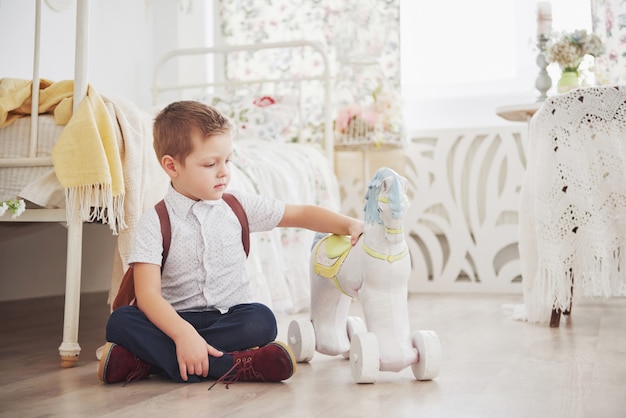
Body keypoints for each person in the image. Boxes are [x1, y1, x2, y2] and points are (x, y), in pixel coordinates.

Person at [98, 100, 364, 386]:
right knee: (121, 321)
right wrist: (183, 335)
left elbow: (299, 213)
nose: (224, 172)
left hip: (228, 320)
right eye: (211, 164)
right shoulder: (154, 220)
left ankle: (152, 361)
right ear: (172, 166)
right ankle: (233, 365)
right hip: (173, 322)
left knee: (262, 320)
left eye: (227, 160)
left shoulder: (237, 206)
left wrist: (349, 224)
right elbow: (148, 296)